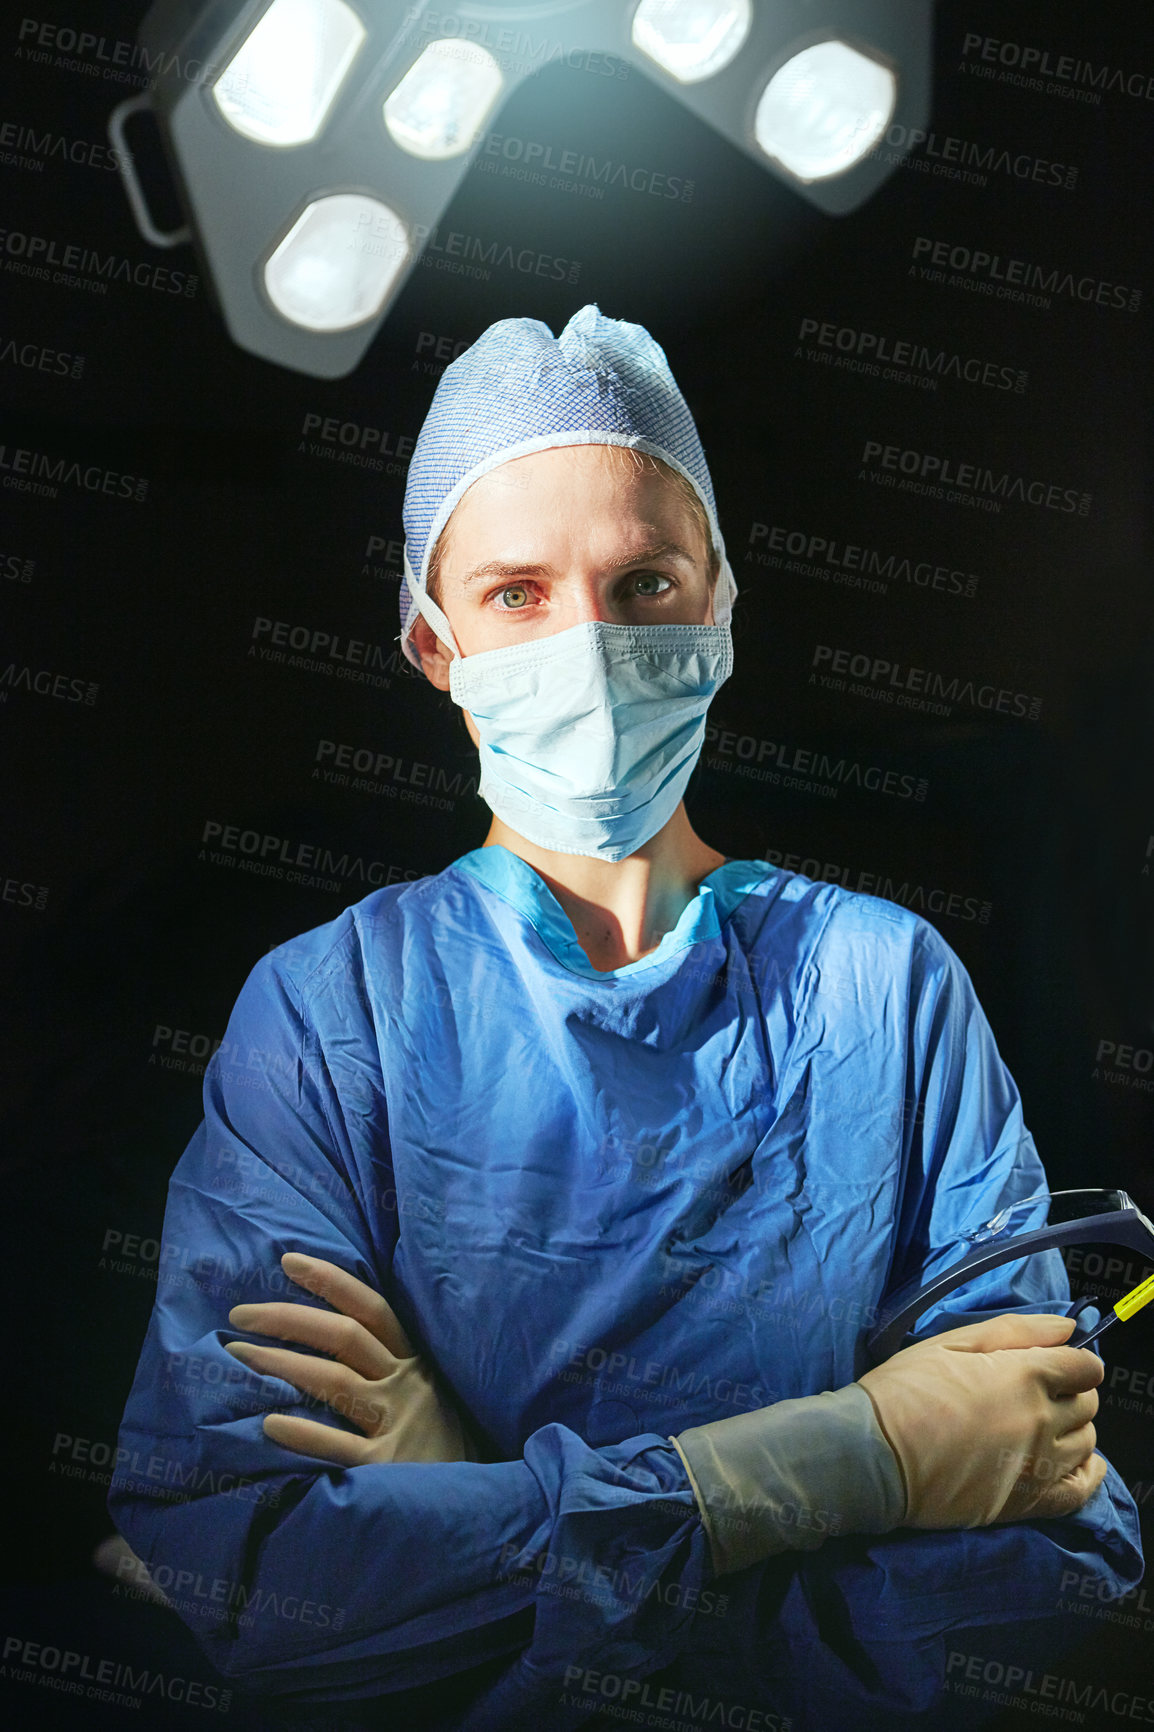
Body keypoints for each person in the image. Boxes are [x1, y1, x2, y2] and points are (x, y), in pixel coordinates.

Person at [109, 306, 1142, 1731]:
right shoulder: (332, 1011)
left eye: (642, 582)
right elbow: (254, 1572)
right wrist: (837, 1465)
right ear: (431, 639)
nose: (586, 643)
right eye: (517, 593)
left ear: (721, 605)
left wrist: (483, 1500)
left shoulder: (883, 990)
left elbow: (1054, 1574)